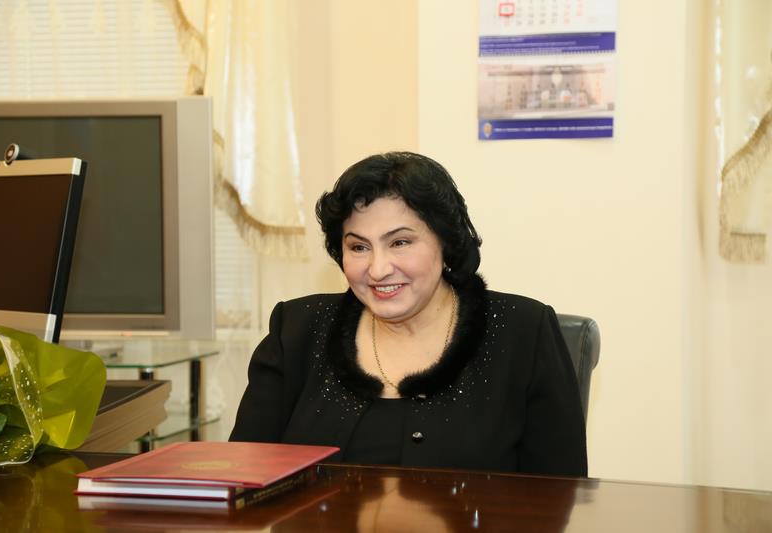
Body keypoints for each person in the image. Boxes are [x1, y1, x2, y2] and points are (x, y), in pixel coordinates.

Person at [230, 151, 587, 476]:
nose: (378, 269)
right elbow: (240, 480)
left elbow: (560, 498)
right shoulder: (297, 330)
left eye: (400, 242)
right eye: (358, 247)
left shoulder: (523, 332)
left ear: (445, 242)